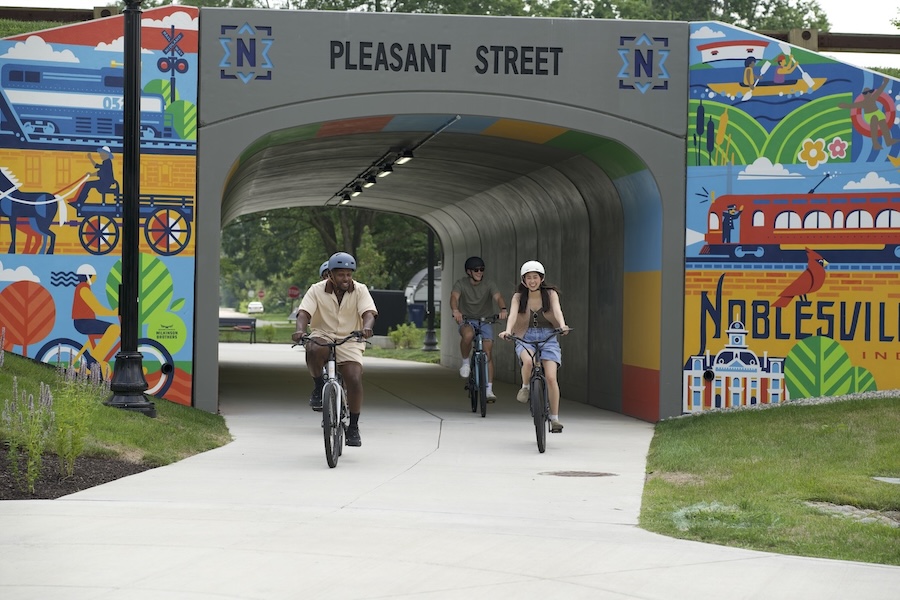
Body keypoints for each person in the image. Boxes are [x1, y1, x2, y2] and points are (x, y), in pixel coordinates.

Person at [292, 252, 377, 447]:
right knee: (313, 348)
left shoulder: (360, 290)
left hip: (351, 338)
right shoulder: (316, 290)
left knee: (354, 378)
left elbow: (369, 313)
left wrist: (367, 327)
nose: (346, 279)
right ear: (330, 274)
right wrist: (300, 330)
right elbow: (304, 313)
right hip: (324, 334)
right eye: (341, 275)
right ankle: (318, 386)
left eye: (349, 274)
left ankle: (353, 427)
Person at [500, 260, 569, 433]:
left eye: (535, 277)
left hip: (548, 336)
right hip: (525, 336)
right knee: (528, 362)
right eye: (528, 277)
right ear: (523, 280)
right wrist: (508, 330)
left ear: (541, 278)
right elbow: (512, 315)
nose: (532, 281)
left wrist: (562, 326)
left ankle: (555, 418)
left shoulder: (550, 294)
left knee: (551, 378)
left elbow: (557, 310)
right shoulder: (518, 297)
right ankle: (525, 387)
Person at [449, 256, 508, 402]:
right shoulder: (461, 284)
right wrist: (456, 310)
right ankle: (465, 363)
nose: (480, 272)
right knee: (468, 335)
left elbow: (498, 297)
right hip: (467, 319)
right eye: (476, 270)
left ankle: (489, 390)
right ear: (469, 272)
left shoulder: (489, 284)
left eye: (482, 269)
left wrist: (503, 309)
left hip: (485, 320)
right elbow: (454, 297)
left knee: (488, 354)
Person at [71, 263, 120, 379]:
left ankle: (95, 360)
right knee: (114, 329)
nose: (95, 278)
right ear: (89, 276)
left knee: (111, 329)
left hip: (86, 321)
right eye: (94, 276)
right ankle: (92, 362)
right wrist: (114, 312)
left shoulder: (83, 287)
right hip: (83, 323)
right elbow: (98, 309)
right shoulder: (83, 289)